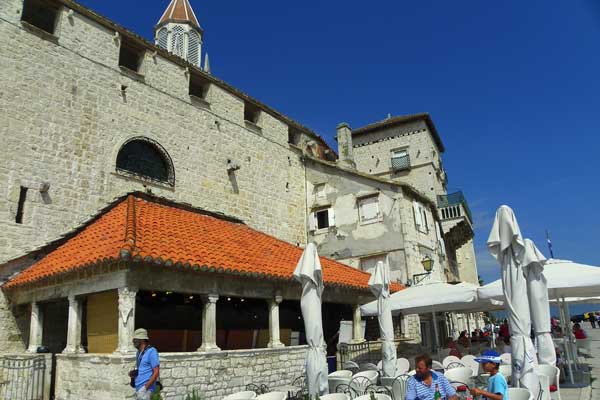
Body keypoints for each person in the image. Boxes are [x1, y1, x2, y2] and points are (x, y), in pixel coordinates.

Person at [130, 328, 160, 400]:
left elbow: (156, 372)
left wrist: (145, 388)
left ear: (142, 339)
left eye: (135, 339)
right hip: (139, 388)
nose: (133, 341)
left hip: (147, 390)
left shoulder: (152, 351)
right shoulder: (139, 352)